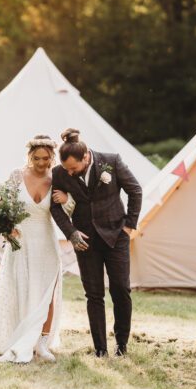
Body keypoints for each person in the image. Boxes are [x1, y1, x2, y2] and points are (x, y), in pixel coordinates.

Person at [49, 128, 142, 358]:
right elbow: (55, 207)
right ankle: (100, 348)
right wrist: (71, 233)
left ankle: (122, 344)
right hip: (85, 241)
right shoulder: (60, 173)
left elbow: (135, 190)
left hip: (116, 236)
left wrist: (129, 225)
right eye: (66, 168)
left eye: (74, 168)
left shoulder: (112, 161)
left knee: (121, 289)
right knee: (93, 294)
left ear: (86, 157)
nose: (69, 173)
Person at [0, 135, 71, 363]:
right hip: (20, 241)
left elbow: (69, 210)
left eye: (46, 158)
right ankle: (18, 335)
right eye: (37, 158)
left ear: (52, 157)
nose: (41, 163)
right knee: (21, 287)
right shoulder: (17, 176)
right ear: (30, 156)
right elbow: (0, 204)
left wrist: (67, 198)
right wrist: (6, 228)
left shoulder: (58, 177)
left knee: (47, 292)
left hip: (46, 241)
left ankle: (42, 343)